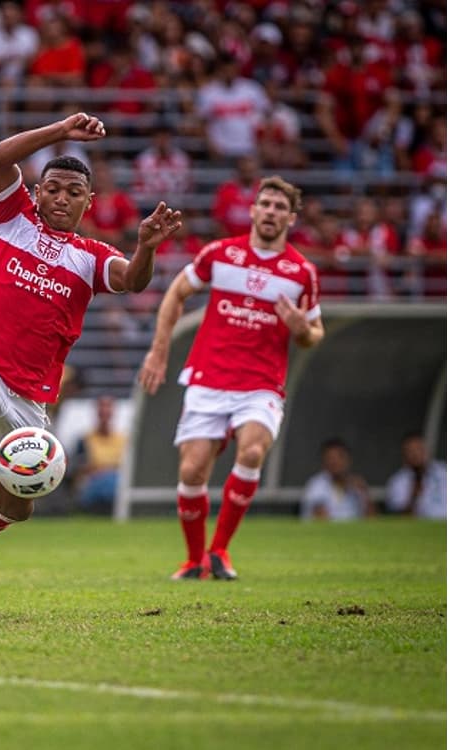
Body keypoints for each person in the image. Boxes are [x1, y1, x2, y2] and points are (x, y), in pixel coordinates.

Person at [0, 112, 183, 594]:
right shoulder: (12, 218)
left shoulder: (89, 258)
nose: (61, 198)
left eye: (73, 192)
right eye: (53, 188)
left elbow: (132, 280)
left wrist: (146, 247)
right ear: (38, 191)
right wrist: (59, 131)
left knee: (18, 504)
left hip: (27, 391)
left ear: (88, 202)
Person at [137, 175, 324, 582]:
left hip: (260, 384)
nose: (271, 212)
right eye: (266, 204)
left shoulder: (301, 273)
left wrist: (301, 330)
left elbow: (314, 334)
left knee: (253, 451)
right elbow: (176, 293)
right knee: (191, 472)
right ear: (253, 210)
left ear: (291, 218)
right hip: (209, 377)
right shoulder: (219, 255)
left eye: (280, 207)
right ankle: (194, 562)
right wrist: (159, 350)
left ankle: (220, 550)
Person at [72, 395, 127, 514]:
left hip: (117, 481)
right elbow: (79, 469)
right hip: (93, 483)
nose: (105, 412)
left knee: (114, 480)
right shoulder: (85, 439)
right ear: (96, 412)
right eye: (102, 408)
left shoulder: (123, 439)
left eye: (108, 408)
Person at [300, 438, 373, 521]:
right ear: (324, 461)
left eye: (340, 456)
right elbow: (321, 520)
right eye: (330, 458)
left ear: (348, 459)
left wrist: (364, 494)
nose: (335, 462)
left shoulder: (358, 485)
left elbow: (372, 520)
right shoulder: (316, 486)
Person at [385, 431, 447, 519]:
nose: (416, 454)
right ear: (404, 454)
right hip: (422, 527)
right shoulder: (398, 481)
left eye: (419, 449)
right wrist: (414, 494)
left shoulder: (443, 471)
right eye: (411, 451)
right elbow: (399, 517)